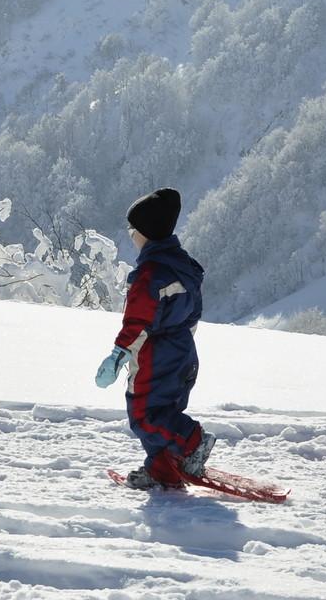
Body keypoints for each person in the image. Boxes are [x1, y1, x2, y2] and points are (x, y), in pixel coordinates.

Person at [95, 187, 215, 489]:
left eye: (132, 229)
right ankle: (164, 468)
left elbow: (138, 322)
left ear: (144, 233)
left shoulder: (149, 275)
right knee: (165, 412)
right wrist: (181, 347)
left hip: (156, 357)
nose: (131, 235)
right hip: (183, 352)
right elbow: (192, 315)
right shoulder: (185, 268)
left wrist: (118, 355)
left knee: (144, 415)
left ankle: (192, 441)